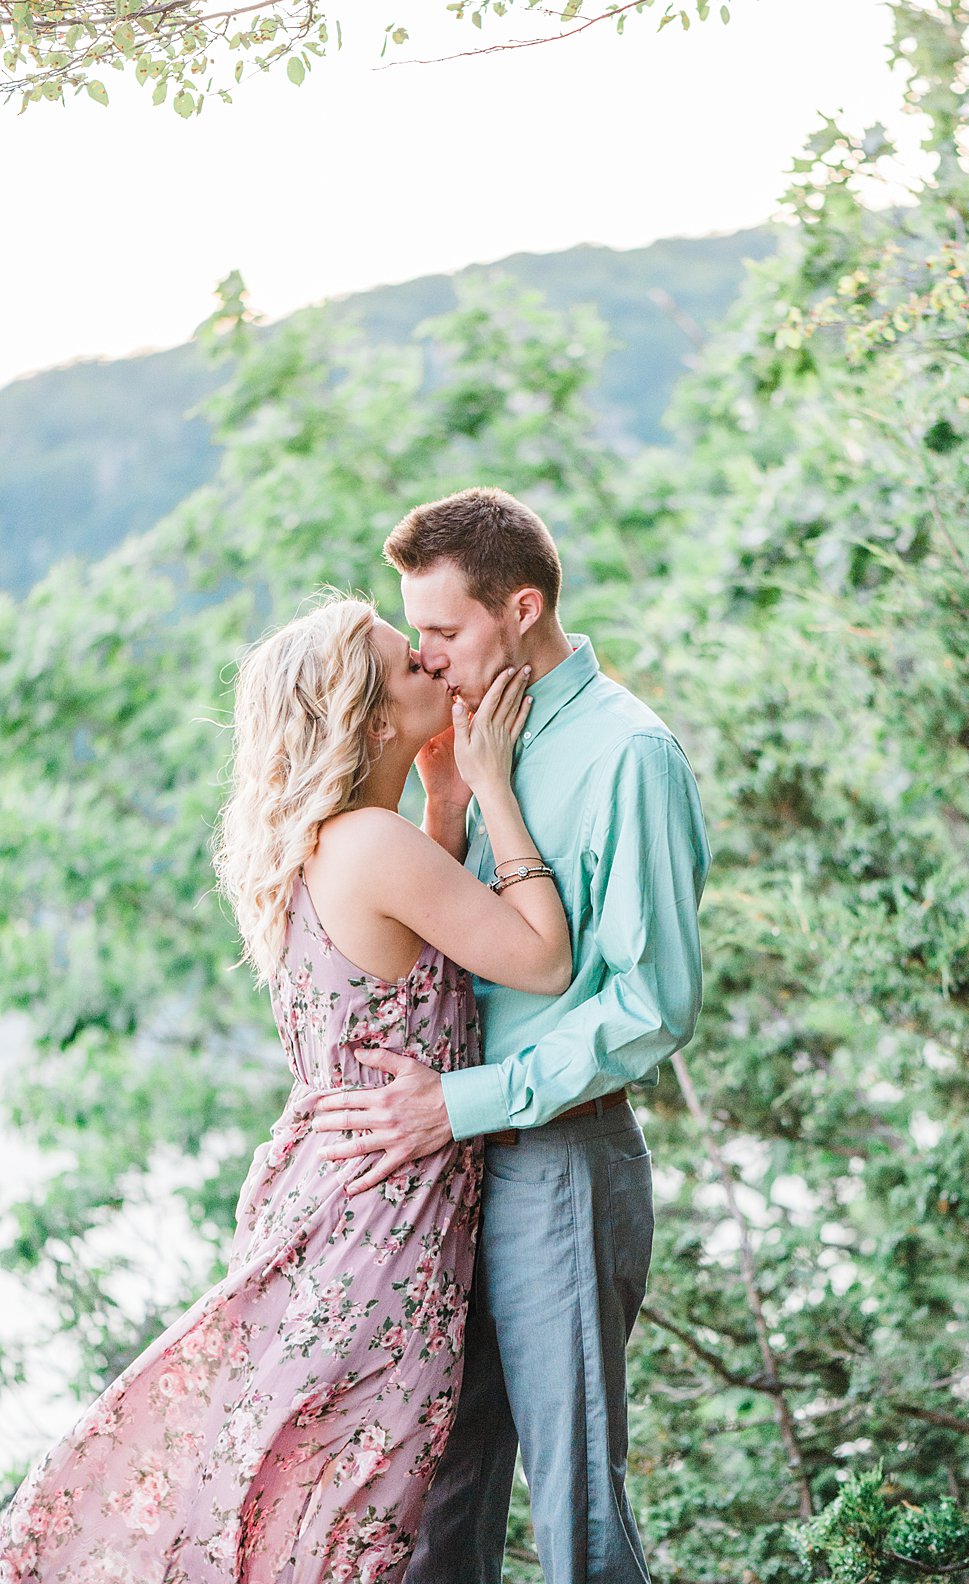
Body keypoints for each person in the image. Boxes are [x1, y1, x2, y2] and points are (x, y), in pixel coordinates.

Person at [0, 594, 570, 1584]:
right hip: (374, 1235)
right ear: (373, 720)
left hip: (336, 1201)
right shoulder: (368, 846)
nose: (437, 666)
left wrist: (443, 804)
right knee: (348, 1524)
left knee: (306, 1503)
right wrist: (495, 790)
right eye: (410, 667)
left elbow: (410, 954)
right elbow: (542, 959)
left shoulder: (339, 845)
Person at [313, 490, 711, 1584]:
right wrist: (445, 805)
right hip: (440, 1179)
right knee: (437, 1497)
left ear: (521, 607)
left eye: (443, 632)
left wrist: (458, 1103)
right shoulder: (466, 739)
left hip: (558, 1167)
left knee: (577, 1512)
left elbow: (650, 1005)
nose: (429, 659)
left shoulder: (627, 757)